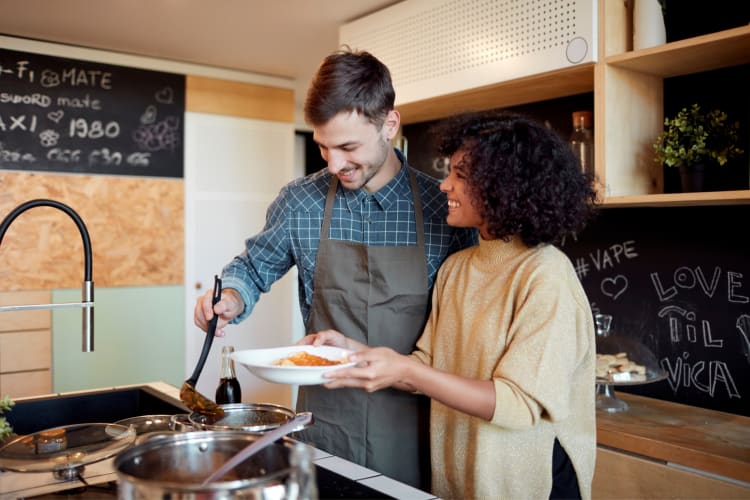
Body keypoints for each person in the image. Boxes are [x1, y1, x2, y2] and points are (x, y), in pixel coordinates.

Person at [193, 47, 477, 489]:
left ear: (389, 124)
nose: (334, 164)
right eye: (323, 146)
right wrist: (229, 297)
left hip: (417, 425)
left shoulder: (446, 210)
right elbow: (252, 267)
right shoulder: (300, 201)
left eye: (347, 147)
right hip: (326, 422)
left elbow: (463, 335)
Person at [302, 110, 599, 499]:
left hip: (532, 484)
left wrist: (405, 369)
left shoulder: (545, 275)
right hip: (462, 481)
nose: (445, 186)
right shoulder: (459, 268)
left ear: (502, 186)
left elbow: (518, 404)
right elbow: (427, 366)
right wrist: (353, 353)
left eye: (460, 175)